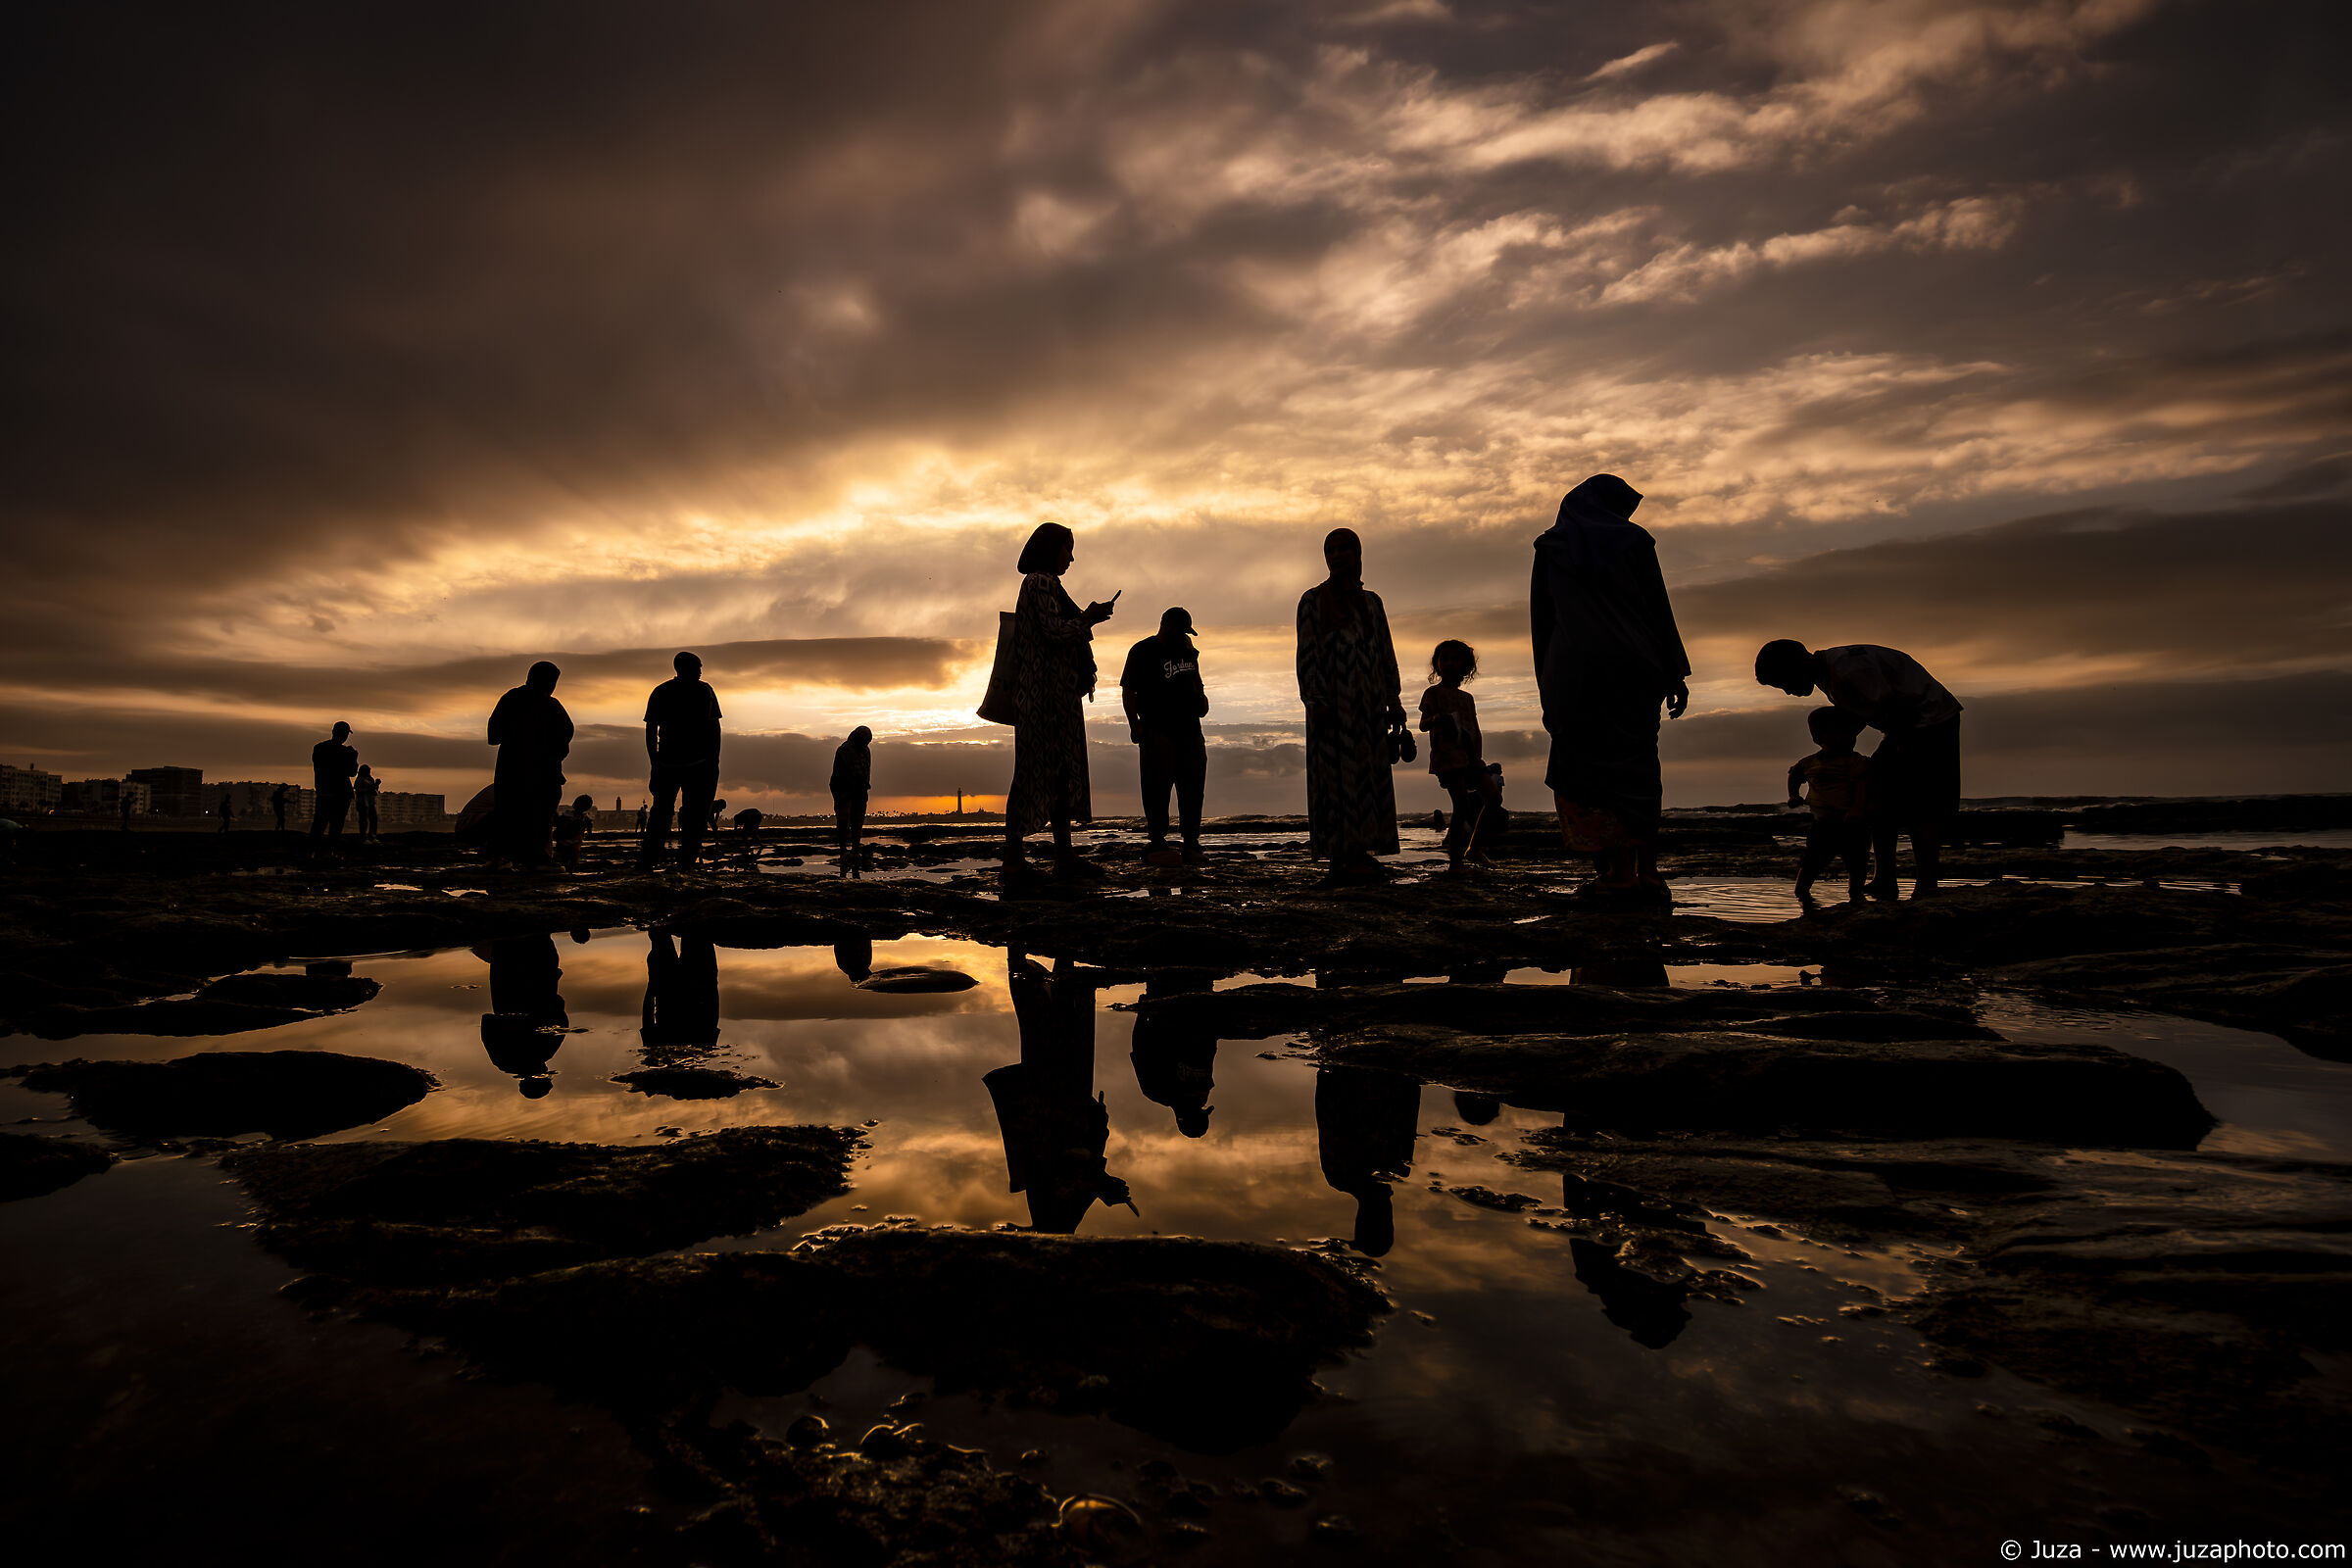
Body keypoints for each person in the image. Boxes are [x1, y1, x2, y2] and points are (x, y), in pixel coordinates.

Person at [1531, 474, 1690, 906]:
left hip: (1575, 670)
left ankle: (1618, 875)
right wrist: (1675, 671)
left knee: (1588, 769)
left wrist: (1546, 685)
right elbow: (1658, 608)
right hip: (1636, 667)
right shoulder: (1635, 542)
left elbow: (1542, 623)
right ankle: (1648, 874)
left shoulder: (1552, 547)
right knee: (1638, 769)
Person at [1755, 639, 1963, 899]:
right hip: (1904, 725)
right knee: (1880, 800)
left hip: (1930, 721)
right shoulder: (1828, 673)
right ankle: (1885, 878)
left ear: (1798, 663)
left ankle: (1926, 885)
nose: (1787, 691)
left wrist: (1879, 748)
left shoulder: (1847, 669)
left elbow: (1892, 711)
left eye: (1784, 682)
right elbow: (1867, 712)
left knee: (1923, 805)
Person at [1000, 521, 1117, 881]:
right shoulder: (1039, 583)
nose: (1071, 558)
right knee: (1033, 775)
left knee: (1059, 775)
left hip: (1056, 698)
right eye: (1067, 549)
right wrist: (1089, 618)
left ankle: (1061, 855)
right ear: (1051, 550)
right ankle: (1016, 856)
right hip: (1043, 698)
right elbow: (1054, 633)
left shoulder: (1048, 585)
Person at [985, 951, 1132, 1232]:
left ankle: (1028, 949)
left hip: (1053, 1104)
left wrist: (1103, 1185)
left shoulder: (1053, 1215)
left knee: (1047, 1026)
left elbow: (1062, 1166)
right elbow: (1076, 1171)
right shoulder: (1059, 1215)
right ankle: (1038, 950)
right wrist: (1103, 1184)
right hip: (1066, 1104)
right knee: (1056, 1022)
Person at [1297, 528, 1404, 882]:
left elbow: (1385, 651)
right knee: (1333, 780)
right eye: (1331, 549)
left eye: (1345, 548)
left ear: (1358, 553)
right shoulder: (1312, 601)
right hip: (1331, 706)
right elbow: (1307, 654)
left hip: (1370, 705)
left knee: (1369, 776)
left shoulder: (1372, 602)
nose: (1338, 554)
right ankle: (1338, 857)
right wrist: (1316, 700)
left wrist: (1393, 698)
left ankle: (1361, 852)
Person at [1120, 608, 1209, 868]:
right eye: (1181, 630)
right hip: (1157, 731)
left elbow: (1197, 681)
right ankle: (1157, 842)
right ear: (1167, 625)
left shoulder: (1189, 651)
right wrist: (1133, 724)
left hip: (1191, 731)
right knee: (1156, 790)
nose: (1184, 635)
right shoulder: (1142, 651)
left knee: (1193, 790)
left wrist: (1201, 696)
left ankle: (1191, 842)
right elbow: (1128, 690)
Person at [1314, 1064, 1419, 1257]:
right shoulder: (1397, 1167)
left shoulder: (1339, 1173)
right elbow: (1411, 1107)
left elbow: (1326, 1106)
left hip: (1351, 1067)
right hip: (1375, 1068)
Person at [636, 652, 721, 871]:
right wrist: (654, 759)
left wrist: (654, 759)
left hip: (686, 764)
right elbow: (651, 728)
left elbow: (714, 727)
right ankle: (657, 861)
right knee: (671, 815)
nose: (701, 671)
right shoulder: (697, 691)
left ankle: (673, 863)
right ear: (687, 668)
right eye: (698, 667)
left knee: (678, 815)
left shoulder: (669, 691)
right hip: (683, 765)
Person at [487, 662, 572, 870]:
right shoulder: (551, 706)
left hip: (511, 769)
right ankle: (536, 859)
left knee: (508, 812)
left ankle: (502, 857)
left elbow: (493, 735)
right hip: (541, 772)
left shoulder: (510, 699)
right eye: (552, 682)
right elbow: (565, 739)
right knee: (540, 814)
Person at [1419, 639, 1495, 871]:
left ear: (1466, 666)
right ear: (1437, 664)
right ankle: (1456, 862)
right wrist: (1437, 720)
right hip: (1447, 758)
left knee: (1494, 799)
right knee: (1461, 804)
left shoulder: (1467, 698)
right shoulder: (1433, 693)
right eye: (1444, 659)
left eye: (1455, 659)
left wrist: (1477, 758)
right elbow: (1423, 725)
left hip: (1471, 758)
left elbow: (1475, 729)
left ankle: (1474, 848)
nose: (1449, 663)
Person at [1786, 707, 1873, 906]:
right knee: (1812, 860)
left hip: (1852, 823)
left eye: (1852, 734)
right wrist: (1793, 795)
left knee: (1857, 860)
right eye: (1841, 733)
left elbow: (1862, 786)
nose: (1849, 739)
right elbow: (1795, 775)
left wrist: (1858, 808)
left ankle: (1856, 893)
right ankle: (1801, 893)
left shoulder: (1854, 761)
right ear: (1819, 737)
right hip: (1822, 823)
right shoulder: (1809, 763)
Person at [478, 933, 567, 1098]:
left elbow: (560, 1012)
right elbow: (487, 1022)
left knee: (532, 933)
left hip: (535, 978)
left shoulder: (545, 1050)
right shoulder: (502, 1061)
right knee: (511, 936)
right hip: (506, 983)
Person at [308, 721, 359, 859]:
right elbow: (352, 772)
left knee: (319, 823)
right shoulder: (346, 752)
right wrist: (353, 758)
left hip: (324, 791)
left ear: (333, 731)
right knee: (336, 825)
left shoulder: (319, 748)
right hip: (341, 793)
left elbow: (319, 767)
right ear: (346, 735)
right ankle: (330, 852)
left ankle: (313, 852)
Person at [831, 726, 872, 866]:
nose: (865, 744)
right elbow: (842, 774)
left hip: (860, 790)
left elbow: (866, 771)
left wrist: (865, 786)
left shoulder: (866, 750)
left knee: (857, 822)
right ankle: (843, 851)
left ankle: (854, 850)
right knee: (843, 821)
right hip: (844, 791)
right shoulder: (844, 750)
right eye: (864, 741)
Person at [553, 793, 595, 871]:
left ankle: (567, 870)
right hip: (570, 842)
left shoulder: (571, 815)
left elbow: (558, 822)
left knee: (569, 859)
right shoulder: (584, 818)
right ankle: (568, 870)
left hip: (569, 842)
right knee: (569, 859)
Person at [354, 764, 381, 843]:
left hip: (371, 802)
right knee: (363, 821)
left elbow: (374, 791)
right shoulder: (359, 779)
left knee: (374, 819)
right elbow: (358, 790)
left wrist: (376, 785)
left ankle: (372, 836)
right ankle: (364, 837)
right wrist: (369, 789)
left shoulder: (370, 779)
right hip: (362, 802)